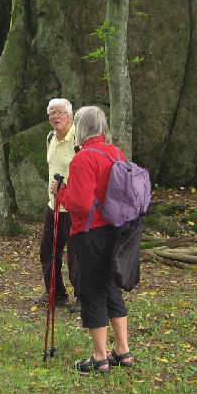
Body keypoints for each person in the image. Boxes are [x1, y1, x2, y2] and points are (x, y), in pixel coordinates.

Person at [57, 105, 133, 373]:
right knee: (112, 286)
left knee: (92, 290)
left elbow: (80, 203)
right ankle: (123, 350)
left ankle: (100, 356)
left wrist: (61, 193)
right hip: (116, 230)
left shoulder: (83, 159)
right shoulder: (116, 153)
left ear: (82, 127)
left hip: (89, 233)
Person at [38, 98, 78, 311]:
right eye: (52, 113)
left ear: (70, 116)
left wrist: (67, 188)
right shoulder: (50, 137)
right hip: (53, 206)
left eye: (60, 112)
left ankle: (82, 298)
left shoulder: (79, 140)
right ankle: (56, 295)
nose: (56, 117)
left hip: (73, 209)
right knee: (48, 252)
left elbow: (85, 175)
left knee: (75, 256)